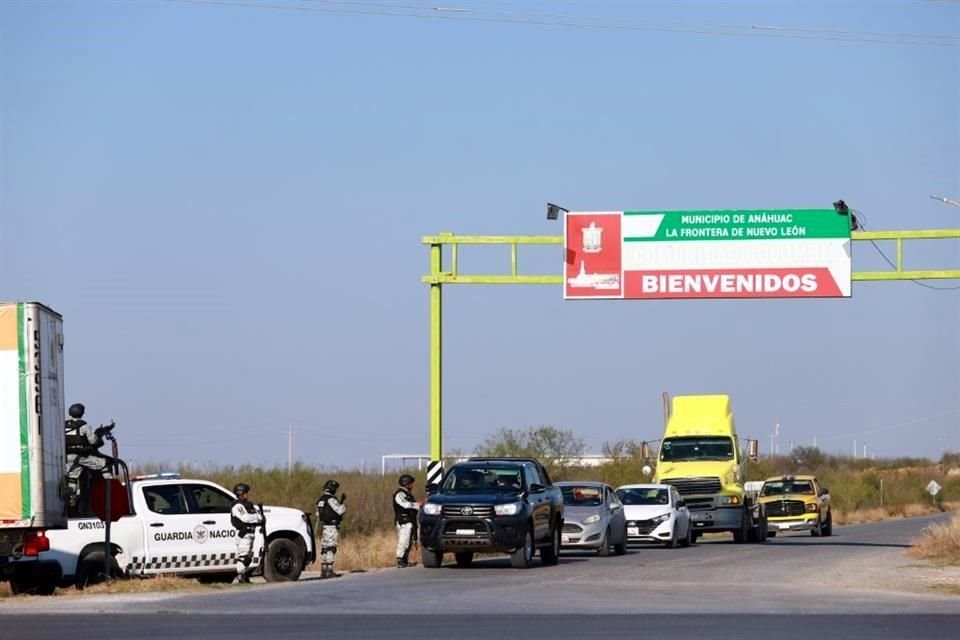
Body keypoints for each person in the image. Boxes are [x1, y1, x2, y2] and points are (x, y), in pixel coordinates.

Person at [63, 403, 112, 512]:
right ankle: (110, 488)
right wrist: (99, 436)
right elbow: (93, 441)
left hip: (68, 456)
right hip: (81, 456)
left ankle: (71, 499)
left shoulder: (64, 425)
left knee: (73, 476)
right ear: (82, 413)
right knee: (104, 464)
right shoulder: (84, 426)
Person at [230, 483, 264, 583]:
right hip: (243, 534)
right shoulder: (238, 506)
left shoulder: (248, 505)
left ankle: (244, 576)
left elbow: (256, 515)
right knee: (243, 556)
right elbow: (246, 518)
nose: (247, 494)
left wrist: (260, 519)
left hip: (250, 534)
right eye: (246, 492)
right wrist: (258, 518)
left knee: (248, 557)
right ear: (241, 493)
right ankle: (241, 576)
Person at [316, 480, 346, 579]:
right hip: (332, 527)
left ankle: (323, 570)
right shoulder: (331, 499)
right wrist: (342, 505)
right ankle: (329, 570)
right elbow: (340, 511)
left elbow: (318, 514)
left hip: (324, 526)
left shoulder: (320, 500)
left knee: (325, 548)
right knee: (331, 548)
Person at [393, 474, 420, 568]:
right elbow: (405, 504)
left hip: (410, 521)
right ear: (406, 484)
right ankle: (400, 559)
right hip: (403, 521)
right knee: (404, 540)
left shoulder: (408, 494)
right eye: (411, 483)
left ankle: (404, 560)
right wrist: (418, 505)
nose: (412, 485)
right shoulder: (399, 494)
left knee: (409, 541)